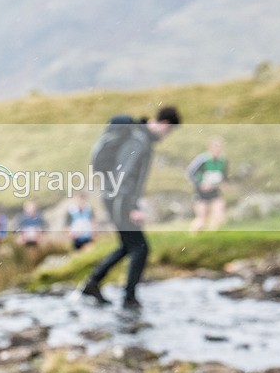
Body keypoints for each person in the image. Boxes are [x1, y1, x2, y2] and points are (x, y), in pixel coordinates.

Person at [80, 106, 181, 309]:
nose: (167, 135)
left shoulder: (139, 137)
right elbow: (124, 173)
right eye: (169, 131)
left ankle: (93, 283)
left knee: (128, 245)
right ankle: (129, 297)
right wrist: (131, 206)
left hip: (114, 196)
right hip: (119, 199)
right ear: (165, 124)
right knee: (140, 248)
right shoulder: (138, 139)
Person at [187, 136, 228, 232]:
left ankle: (213, 236)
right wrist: (200, 184)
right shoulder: (202, 159)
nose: (217, 150)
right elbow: (190, 173)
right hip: (201, 193)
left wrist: (224, 184)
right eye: (215, 147)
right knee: (202, 219)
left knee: (219, 217)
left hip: (215, 191)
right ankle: (192, 235)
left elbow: (224, 175)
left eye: (219, 148)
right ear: (209, 148)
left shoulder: (223, 161)